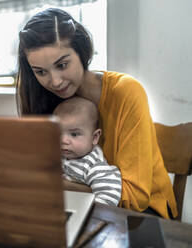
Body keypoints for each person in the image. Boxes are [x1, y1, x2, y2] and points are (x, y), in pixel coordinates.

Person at [16, 8, 177, 218]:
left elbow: (135, 197)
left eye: (62, 65)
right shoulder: (40, 98)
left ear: (83, 53)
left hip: (143, 216)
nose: (54, 81)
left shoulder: (126, 91)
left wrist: (56, 184)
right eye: (40, 71)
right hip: (78, 207)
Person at [54, 96, 122, 206]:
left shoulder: (93, 166)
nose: (63, 140)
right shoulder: (60, 155)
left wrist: (88, 214)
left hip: (83, 211)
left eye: (74, 134)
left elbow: (108, 196)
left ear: (94, 137)